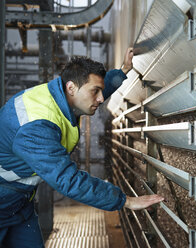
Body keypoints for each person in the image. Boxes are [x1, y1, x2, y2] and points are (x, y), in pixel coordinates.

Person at [0, 48, 164, 247]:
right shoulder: (36, 127)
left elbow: (92, 91)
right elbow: (68, 181)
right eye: (96, 92)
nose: (101, 99)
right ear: (71, 88)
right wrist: (125, 201)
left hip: (18, 205)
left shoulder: (60, 96)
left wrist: (122, 71)